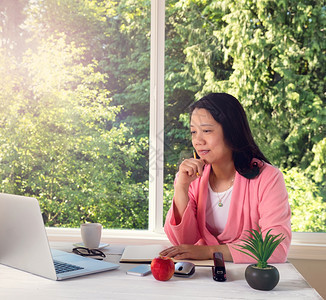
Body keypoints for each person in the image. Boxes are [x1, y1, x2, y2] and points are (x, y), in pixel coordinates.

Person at [160, 93, 291, 263]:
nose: (198, 140)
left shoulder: (268, 178)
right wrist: (181, 187)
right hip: (201, 275)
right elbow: (183, 242)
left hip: (248, 279)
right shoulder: (192, 178)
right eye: (193, 131)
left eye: (206, 131)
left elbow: (275, 248)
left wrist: (210, 252)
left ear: (231, 132)